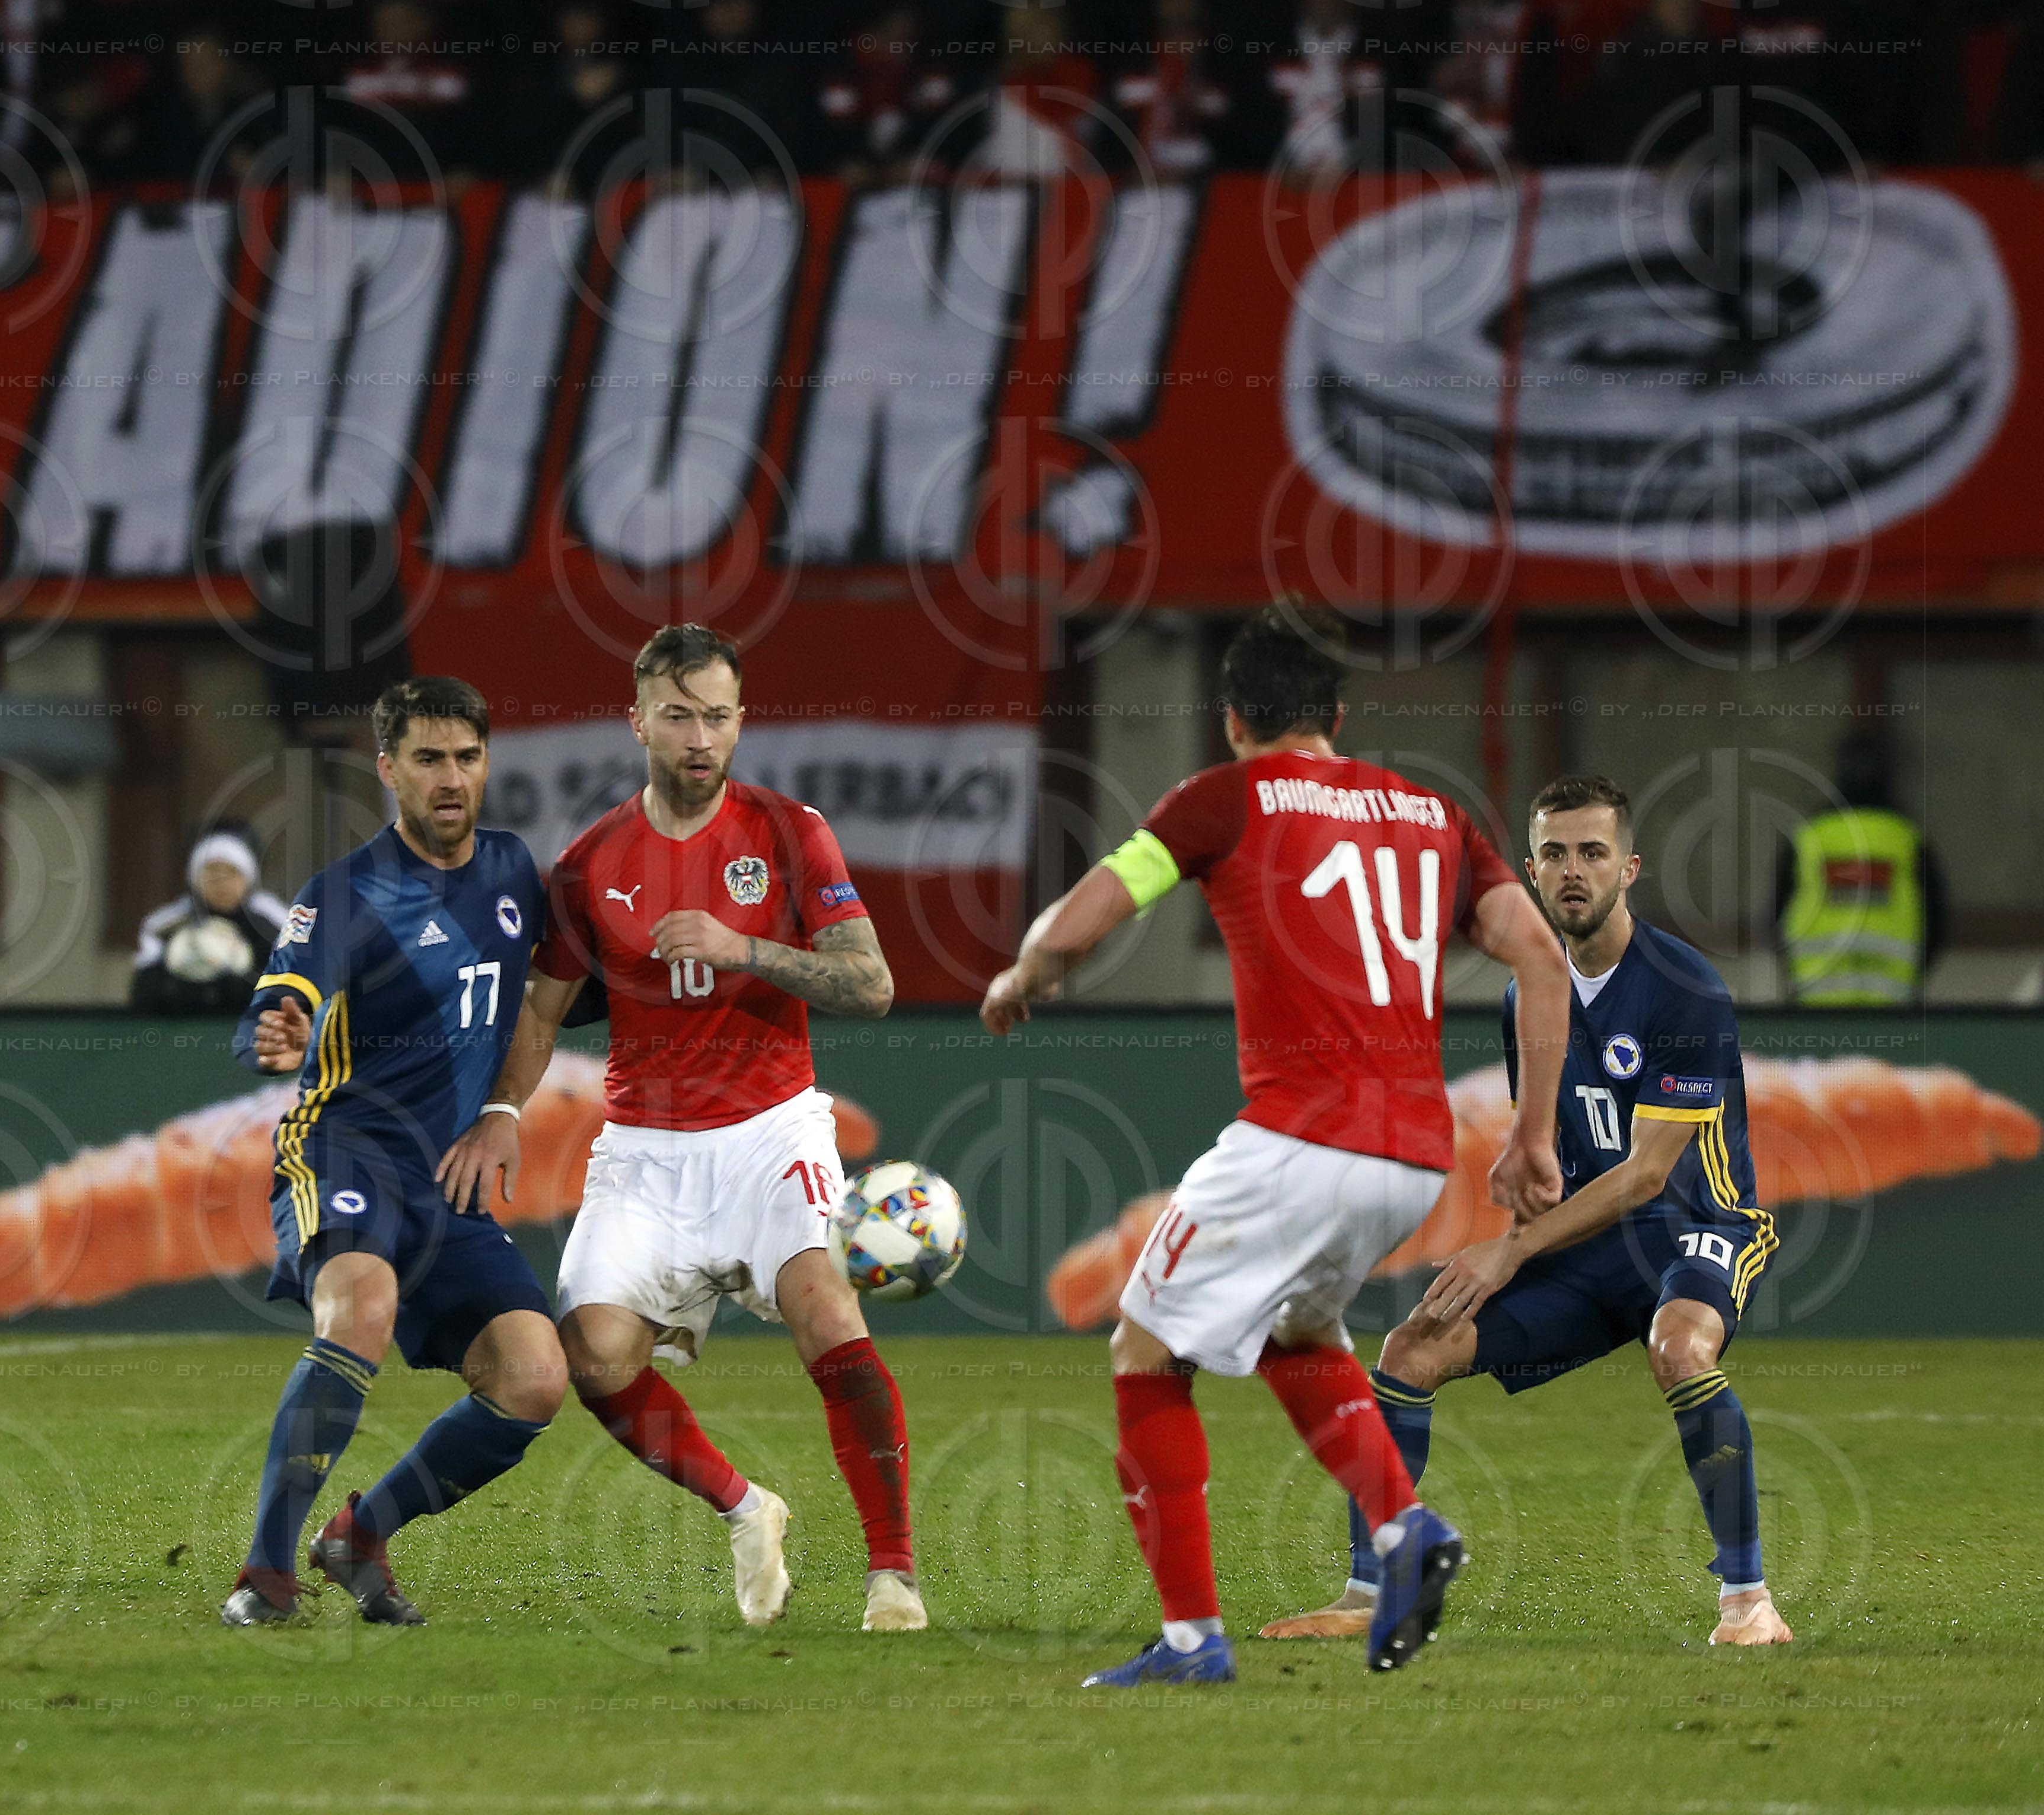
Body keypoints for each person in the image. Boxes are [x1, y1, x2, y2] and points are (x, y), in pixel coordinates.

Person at [981, 600, 1571, 1681]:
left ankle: (1191, 1640)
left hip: (1298, 1138)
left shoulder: (1222, 799)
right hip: (1410, 1158)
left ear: (1232, 721)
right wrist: (1532, 1138)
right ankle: (1404, 1531)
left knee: (1141, 1349)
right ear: (1336, 714)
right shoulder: (1432, 815)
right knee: (1301, 1338)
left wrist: (1025, 972)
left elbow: (1089, 912)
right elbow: (1538, 954)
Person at [1262, 774, 1791, 1648]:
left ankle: (1750, 1603)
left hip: (1695, 1227)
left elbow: (1646, 1175)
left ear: (1630, 867)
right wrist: (1506, 1238)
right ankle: (1369, 1594)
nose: (1573, 870)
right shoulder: (1526, 997)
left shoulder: (1683, 986)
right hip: (1587, 1247)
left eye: (1592, 853)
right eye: (1555, 853)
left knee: (1680, 1346)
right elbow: (1553, 1165)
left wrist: (1507, 1254)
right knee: (1410, 1348)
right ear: (1530, 870)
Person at [473, 623, 923, 1634]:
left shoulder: (788, 832)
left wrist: (744, 947)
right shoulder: (589, 864)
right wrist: (502, 1108)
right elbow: (542, 1012)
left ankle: (891, 1575)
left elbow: (872, 984)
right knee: (591, 1357)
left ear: (740, 721)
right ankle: (745, 1506)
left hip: (771, 1129)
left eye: (716, 715)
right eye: (677, 714)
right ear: (636, 719)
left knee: (826, 1310)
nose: (698, 736)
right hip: (643, 1146)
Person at [218, 677, 568, 1628]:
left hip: (444, 1178)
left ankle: (359, 1536)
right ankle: (265, 1573)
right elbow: (280, 997)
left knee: (535, 1376)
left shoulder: (511, 871)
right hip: (344, 1149)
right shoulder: (344, 893)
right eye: (427, 759)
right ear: (388, 771)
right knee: (362, 1303)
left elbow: (550, 998)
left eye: (466, 757)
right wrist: (274, 1033)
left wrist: (505, 1106)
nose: (450, 778)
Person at [1775, 735, 1949, 1006]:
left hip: (1815, 1006)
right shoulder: (1907, 838)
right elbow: (1939, 919)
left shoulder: (1810, 836)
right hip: (1893, 1007)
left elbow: (1776, 912)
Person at [130, 827, 288, 1015]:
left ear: (248, 879)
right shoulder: (166, 927)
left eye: (232, 873)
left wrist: (238, 986)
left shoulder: (271, 927)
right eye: (212, 872)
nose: (222, 883)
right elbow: (144, 994)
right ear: (194, 877)